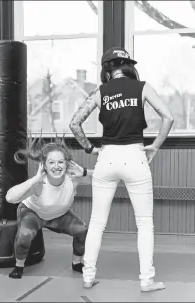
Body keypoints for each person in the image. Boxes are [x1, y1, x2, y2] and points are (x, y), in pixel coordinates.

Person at [69, 47, 174, 291]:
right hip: (135, 157)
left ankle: (87, 276)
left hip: (107, 159)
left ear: (107, 68)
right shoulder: (143, 87)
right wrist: (155, 147)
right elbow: (168, 117)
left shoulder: (100, 92)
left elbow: (74, 123)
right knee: (145, 223)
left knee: (96, 222)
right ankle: (147, 279)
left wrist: (88, 149)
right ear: (129, 66)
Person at [5, 135, 93, 279]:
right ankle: (19, 266)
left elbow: (106, 178)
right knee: (24, 235)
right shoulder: (39, 184)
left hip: (59, 215)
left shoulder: (73, 179)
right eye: (51, 162)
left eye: (60, 162)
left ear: (67, 164)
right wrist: (34, 179)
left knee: (82, 230)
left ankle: (77, 263)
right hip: (33, 214)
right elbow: (10, 197)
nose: (56, 166)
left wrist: (84, 172)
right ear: (44, 165)